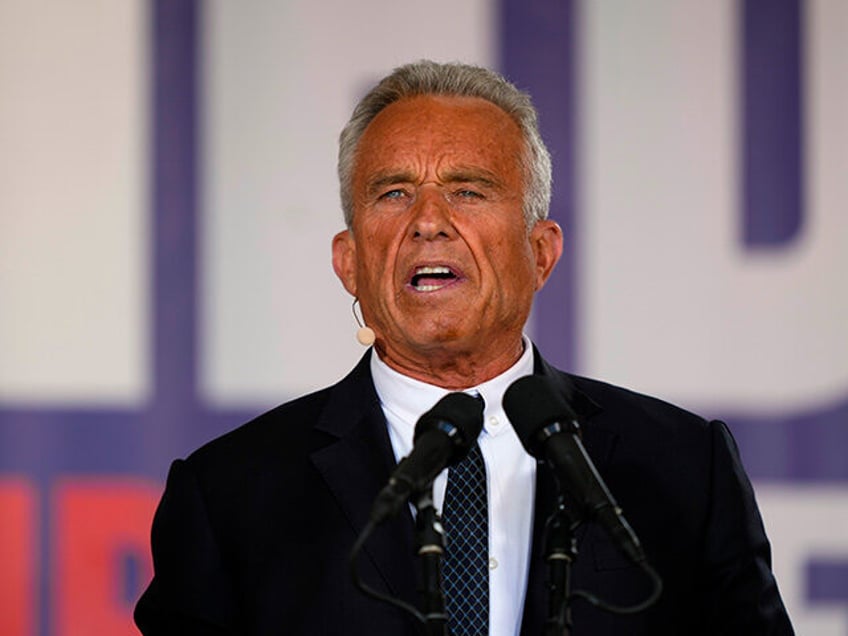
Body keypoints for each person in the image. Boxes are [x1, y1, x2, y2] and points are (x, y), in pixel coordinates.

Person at [135, 60, 793, 635]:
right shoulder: (231, 495)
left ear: (542, 252)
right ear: (349, 262)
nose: (427, 220)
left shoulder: (682, 470)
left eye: (468, 190)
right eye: (393, 192)